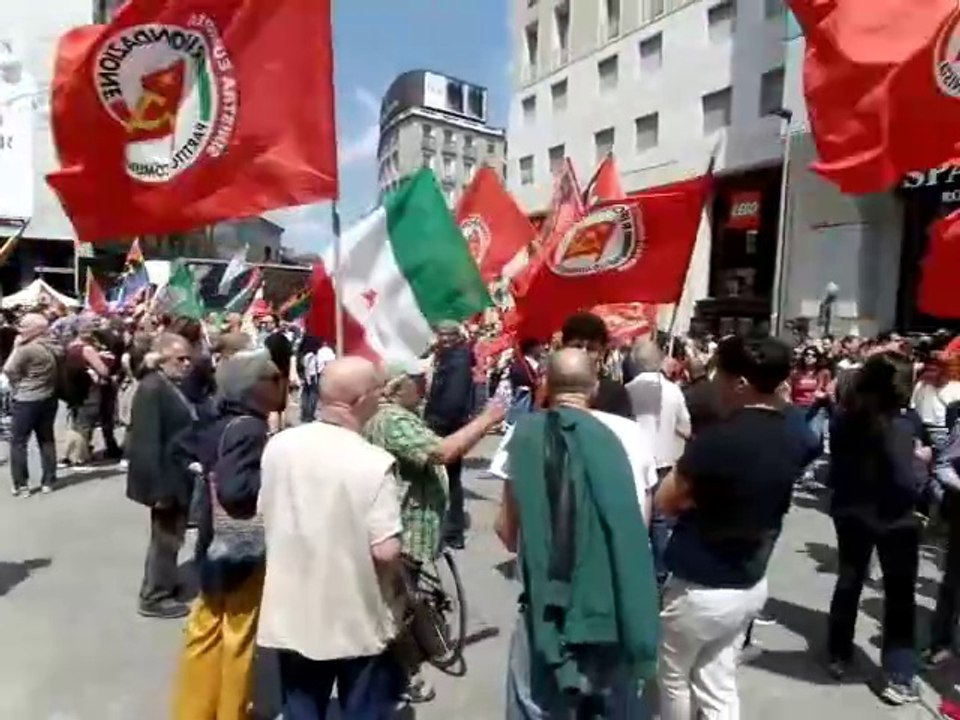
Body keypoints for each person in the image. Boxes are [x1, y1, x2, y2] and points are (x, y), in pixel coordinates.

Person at [492, 348, 659, 718]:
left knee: (535, 704)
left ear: (546, 384)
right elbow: (640, 524)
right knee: (612, 705)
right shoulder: (631, 433)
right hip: (617, 602)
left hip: (547, 605)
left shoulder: (526, 433)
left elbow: (507, 530)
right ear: (595, 387)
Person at [655, 336, 805, 720]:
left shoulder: (719, 440)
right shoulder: (795, 432)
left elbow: (666, 501)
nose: (713, 383)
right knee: (717, 678)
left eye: (719, 374)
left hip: (701, 584)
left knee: (674, 677)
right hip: (750, 579)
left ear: (740, 383)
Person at [257, 357, 405, 719]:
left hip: (292, 604)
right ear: (360, 400)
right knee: (363, 706)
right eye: (378, 391)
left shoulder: (279, 446)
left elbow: (265, 510)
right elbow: (386, 551)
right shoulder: (373, 462)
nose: (382, 398)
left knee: (301, 705)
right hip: (353, 610)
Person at [364, 359, 506, 703]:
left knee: (399, 600)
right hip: (404, 527)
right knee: (396, 609)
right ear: (398, 387)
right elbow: (442, 451)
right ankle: (402, 676)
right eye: (418, 381)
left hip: (411, 524)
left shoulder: (396, 414)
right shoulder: (391, 419)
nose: (426, 386)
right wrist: (486, 420)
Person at [171, 350, 282, 720]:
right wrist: (276, 476)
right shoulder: (251, 427)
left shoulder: (216, 416)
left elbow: (180, 448)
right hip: (241, 544)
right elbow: (237, 490)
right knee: (238, 633)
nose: (284, 385)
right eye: (276, 379)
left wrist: (205, 470)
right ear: (256, 387)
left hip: (212, 538)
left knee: (205, 628)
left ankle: (194, 711)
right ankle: (232, 712)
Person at [827, 352, 925, 704]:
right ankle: (899, 673)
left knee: (849, 581)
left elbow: (835, 464)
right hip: (894, 518)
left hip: (851, 510)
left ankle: (838, 652)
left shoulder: (843, 418)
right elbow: (905, 481)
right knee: (899, 597)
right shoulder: (900, 426)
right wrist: (922, 467)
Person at [126, 333, 197, 619]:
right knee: (165, 537)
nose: (187, 364)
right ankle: (154, 595)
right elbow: (145, 443)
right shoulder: (152, 387)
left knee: (173, 535)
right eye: (180, 359)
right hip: (164, 479)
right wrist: (157, 491)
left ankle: (165, 582)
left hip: (177, 473)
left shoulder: (169, 384)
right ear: (161, 358)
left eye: (189, 358)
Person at [625, 339, 692, 587]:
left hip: (634, 460)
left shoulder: (628, 390)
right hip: (663, 460)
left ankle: (633, 566)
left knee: (636, 513)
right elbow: (686, 427)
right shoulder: (673, 391)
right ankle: (660, 570)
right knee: (660, 520)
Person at [424, 320, 476, 550]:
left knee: (450, 479)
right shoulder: (448, 356)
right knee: (447, 478)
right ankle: (448, 527)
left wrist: (435, 424)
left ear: (457, 337)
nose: (443, 339)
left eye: (448, 335)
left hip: (448, 426)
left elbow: (453, 400)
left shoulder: (459, 359)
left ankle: (453, 531)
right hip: (444, 423)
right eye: (441, 334)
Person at [3, 314, 61, 496]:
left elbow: (9, 369)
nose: (21, 329)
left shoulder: (26, 349)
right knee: (46, 439)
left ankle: (21, 484)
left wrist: (16, 347)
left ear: (36, 329)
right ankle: (49, 480)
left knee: (18, 442)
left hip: (26, 399)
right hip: (49, 397)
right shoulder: (55, 346)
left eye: (24, 325)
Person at [261, 315, 293, 433]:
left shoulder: (269, 340)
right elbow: (290, 356)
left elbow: (266, 358)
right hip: (284, 374)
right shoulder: (285, 339)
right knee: (281, 406)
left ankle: (273, 431)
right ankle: (281, 429)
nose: (264, 325)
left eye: (267, 323)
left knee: (272, 406)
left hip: (271, 376)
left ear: (274, 324)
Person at [295, 335, 334, 423]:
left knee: (305, 394)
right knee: (313, 395)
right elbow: (315, 367)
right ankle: (309, 415)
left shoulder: (301, 354)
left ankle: (304, 414)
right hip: (312, 376)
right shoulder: (312, 355)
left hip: (304, 376)